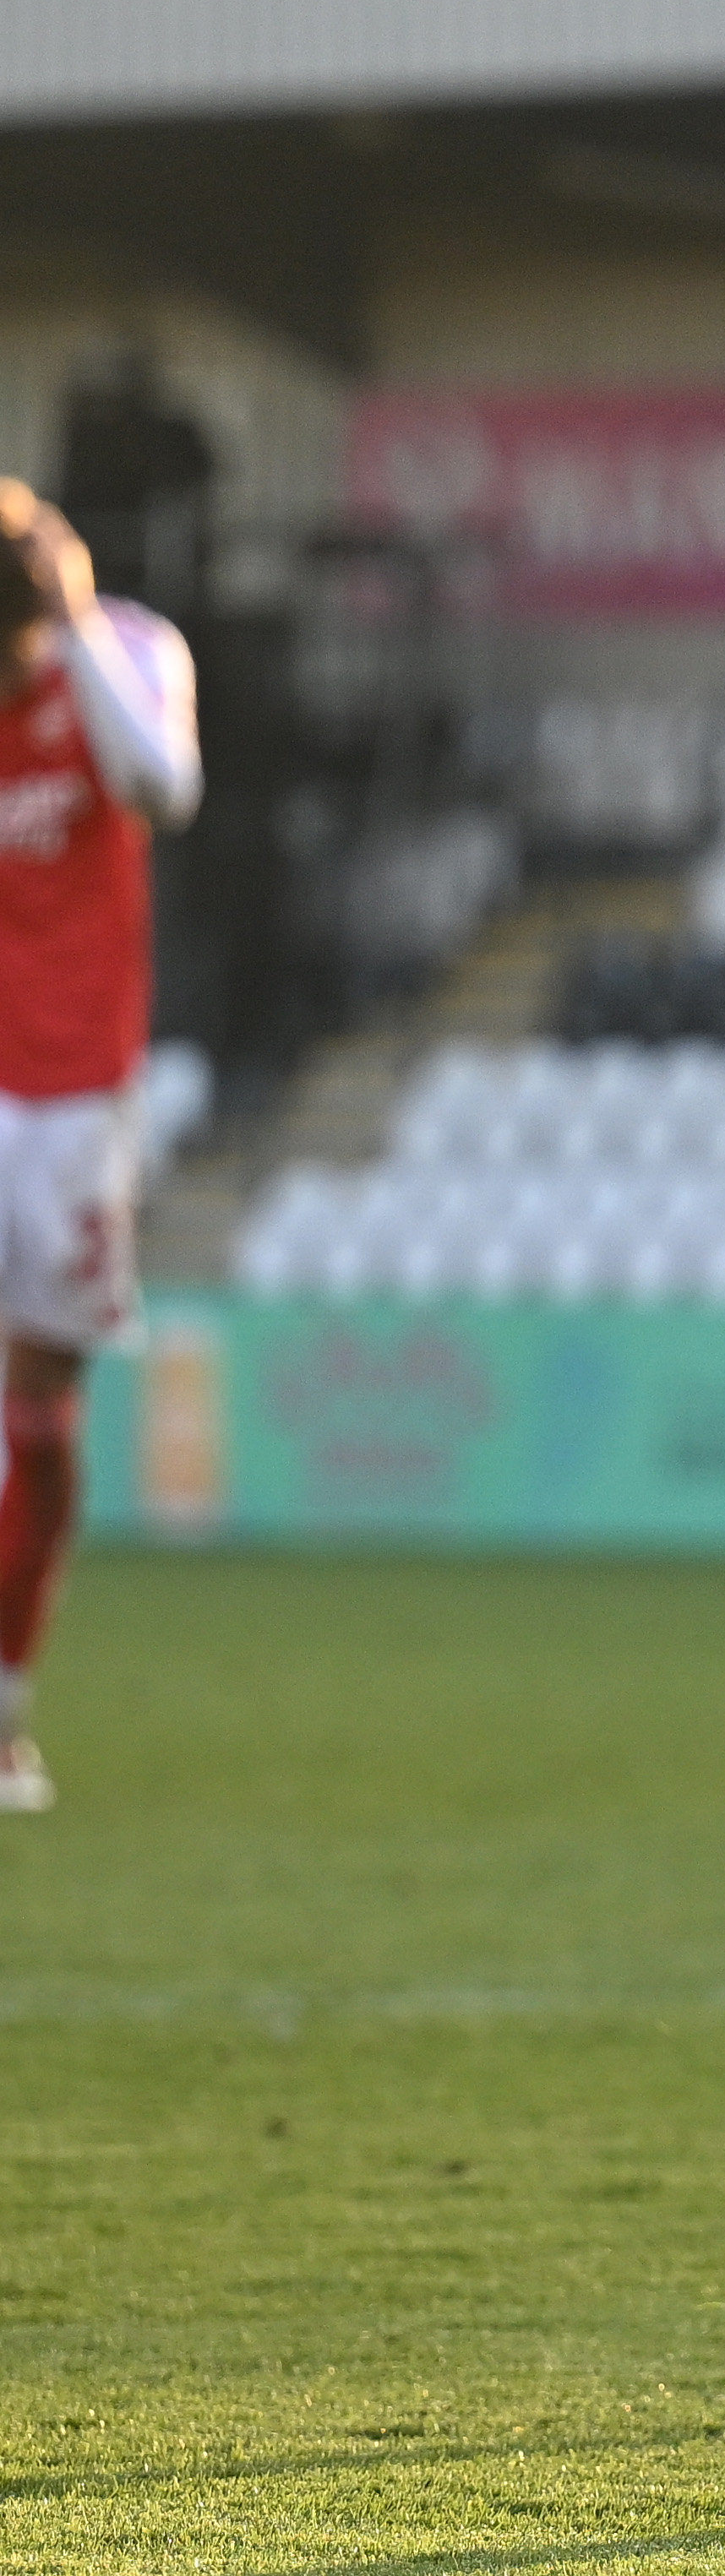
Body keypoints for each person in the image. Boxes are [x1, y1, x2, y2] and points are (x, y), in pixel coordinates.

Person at [0, 479, 200, 1818]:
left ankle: (7, 1703)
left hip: (79, 1092)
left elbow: (163, 785)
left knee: (42, 1418)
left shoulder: (130, 648)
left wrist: (68, 619)